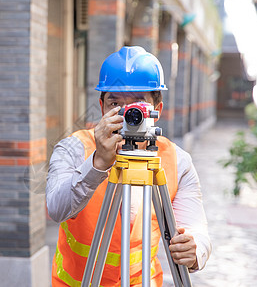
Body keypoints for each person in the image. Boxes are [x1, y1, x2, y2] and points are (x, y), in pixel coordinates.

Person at [46, 46, 211, 286]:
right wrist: (98, 164)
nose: (126, 114)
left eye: (137, 105)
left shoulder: (177, 160)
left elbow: (196, 228)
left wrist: (194, 250)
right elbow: (56, 209)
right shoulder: (74, 148)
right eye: (115, 104)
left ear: (157, 110)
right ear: (102, 107)